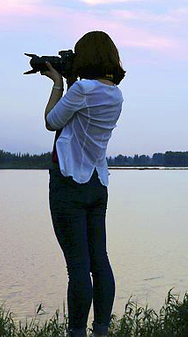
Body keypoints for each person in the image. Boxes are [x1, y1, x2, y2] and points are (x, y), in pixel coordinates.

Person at [40, 30, 125, 337]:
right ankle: (101, 330)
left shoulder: (81, 90)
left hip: (68, 183)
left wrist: (58, 83)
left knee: (77, 266)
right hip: (97, 184)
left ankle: (76, 333)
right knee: (99, 260)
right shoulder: (115, 93)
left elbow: (52, 121)